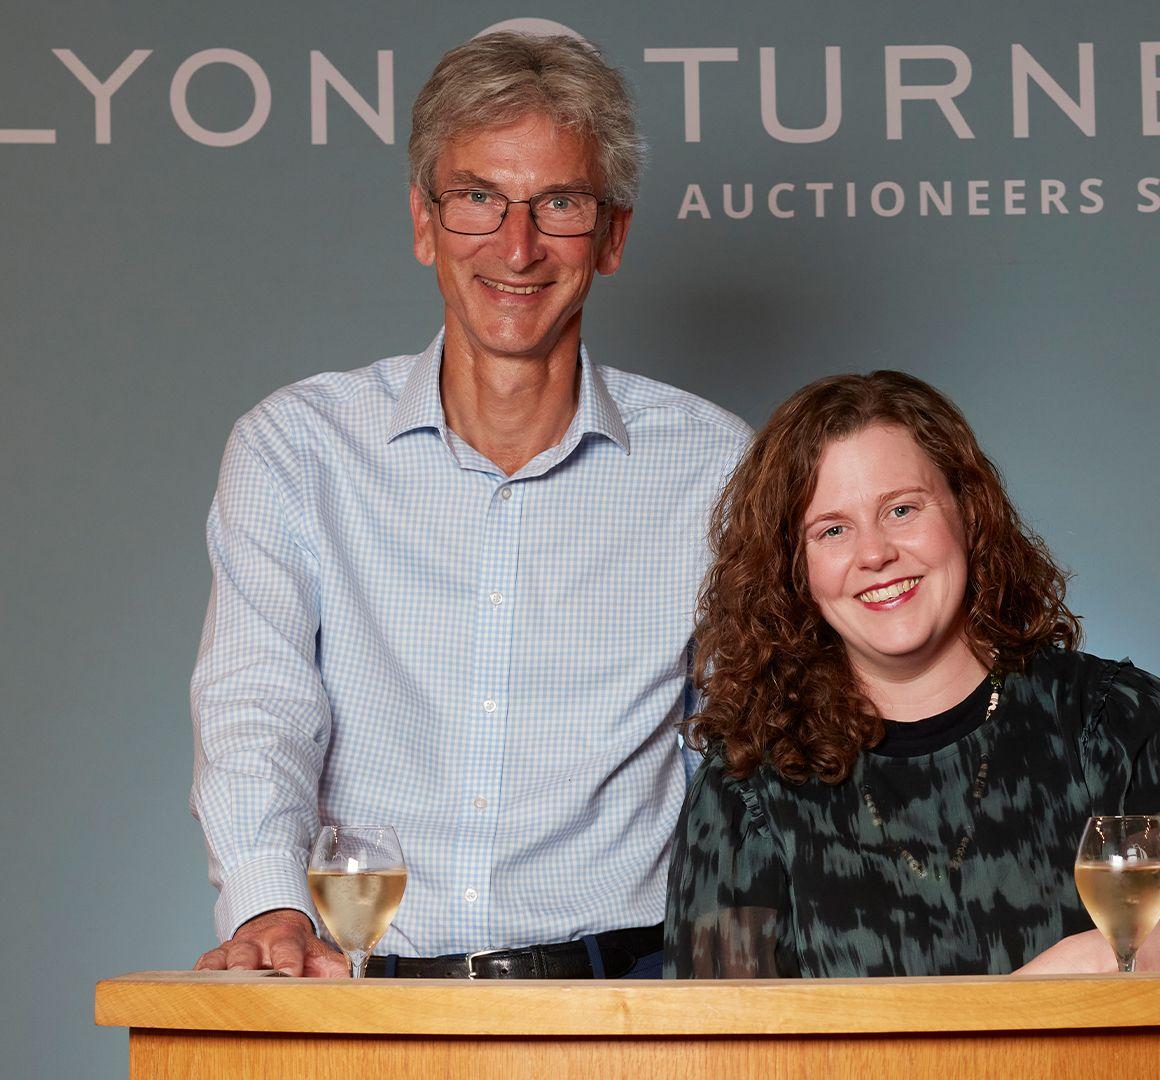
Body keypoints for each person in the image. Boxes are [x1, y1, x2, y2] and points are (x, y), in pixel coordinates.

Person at [190, 33, 749, 980]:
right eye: (477, 198)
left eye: (560, 204)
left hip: (630, 1012)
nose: (517, 246)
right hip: (365, 1005)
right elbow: (257, 709)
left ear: (612, 237)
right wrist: (274, 910)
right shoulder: (295, 449)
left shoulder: (719, 468)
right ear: (423, 221)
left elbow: (745, 759)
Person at [666, 372, 1160, 977]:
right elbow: (717, 1033)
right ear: (794, 571)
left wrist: (1093, 966)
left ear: (968, 512)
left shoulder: (1118, 724)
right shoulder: (745, 789)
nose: (875, 554)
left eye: (902, 509)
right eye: (832, 530)